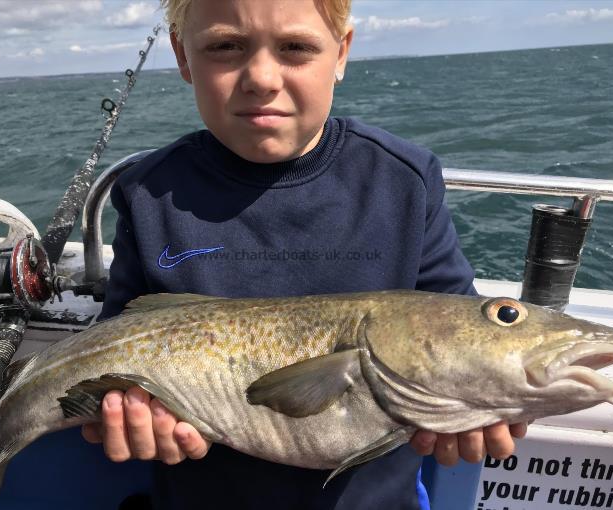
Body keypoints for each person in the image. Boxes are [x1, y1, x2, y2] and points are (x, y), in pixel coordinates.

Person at [82, 0, 527, 508]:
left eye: (296, 47)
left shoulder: (404, 181)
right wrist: (127, 411)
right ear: (184, 57)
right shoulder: (147, 192)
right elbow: (119, 340)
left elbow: (456, 331)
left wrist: (490, 404)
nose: (262, 78)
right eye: (225, 47)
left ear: (341, 53)